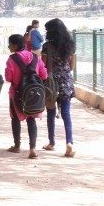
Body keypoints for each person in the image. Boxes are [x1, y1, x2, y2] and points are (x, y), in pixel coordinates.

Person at [5, 34, 46, 159]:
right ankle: (32, 148)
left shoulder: (12, 59)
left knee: (15, 118)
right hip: (33, 94)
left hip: (17, 93)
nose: (8, 46)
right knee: (31, 119)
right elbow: (44, 75)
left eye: (10, 44)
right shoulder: (35, 57)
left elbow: (8, 78)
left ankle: (17, 146)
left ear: (15, 45)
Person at [42, 18, 76, 157]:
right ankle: (69, 142)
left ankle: (51, 142)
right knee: (66, 113)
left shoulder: (47, 47)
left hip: (51, 83)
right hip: (66, 81)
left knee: (50, 112)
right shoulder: (70, 45)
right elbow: (72, 66)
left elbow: (44, 66)